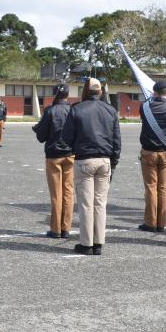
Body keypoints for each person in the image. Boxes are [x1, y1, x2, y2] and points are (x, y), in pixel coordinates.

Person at [62, 78, 121, 255]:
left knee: (86, 204)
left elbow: (66, 137)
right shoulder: (110, 110)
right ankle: (99, 243)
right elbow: (117, 141)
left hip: (85, 160)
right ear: (100, 92)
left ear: (85, 91)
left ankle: (86, 244)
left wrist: (76, 147)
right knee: (100, 204)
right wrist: (114, 163)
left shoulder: (77, 109)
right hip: (105, 161)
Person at [136, 80, 166, 233]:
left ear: (154, 92)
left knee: (151, 188)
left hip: (148, 151)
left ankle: (150, 222)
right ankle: (161, 222)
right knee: (164, 188)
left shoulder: (145, 107)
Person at [33, 83, 75, 239]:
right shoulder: (73, 110)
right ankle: (66, 228)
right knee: (68, 193)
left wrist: (38, 128)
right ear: (67, 95)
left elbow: (41, 137)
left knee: (56, 194)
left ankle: (56, 229)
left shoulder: (50, 111)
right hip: (70, 154)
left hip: (54, 156)